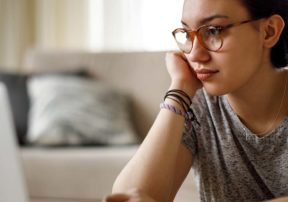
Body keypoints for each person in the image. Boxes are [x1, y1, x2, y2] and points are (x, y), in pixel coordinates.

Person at [104, 0, 288, 201]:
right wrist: (180, 88)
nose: (195, 54)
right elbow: (129, 196)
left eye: (214, 30)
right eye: (187, 34)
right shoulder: (195, 105)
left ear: (269, 31)